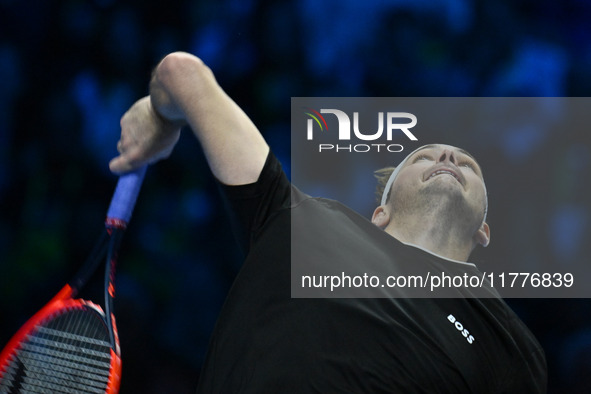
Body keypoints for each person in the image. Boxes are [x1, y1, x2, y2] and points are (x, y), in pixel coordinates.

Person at [110, 52, 547, 393]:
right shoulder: (298, 218)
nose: (448, 155)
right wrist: (159, 115)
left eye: (466, 164)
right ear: (380, 214)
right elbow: (183, 74)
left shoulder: (508, 342)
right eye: (423, 156)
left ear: (482, 232)